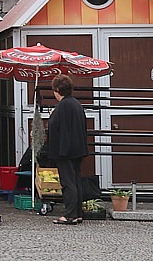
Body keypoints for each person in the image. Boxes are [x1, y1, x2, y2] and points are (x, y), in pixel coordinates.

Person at [48, 74, 88, 225]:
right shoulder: (76, 104)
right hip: (77, 149)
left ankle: (70, 215)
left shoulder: (64, 106)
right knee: (76, 181)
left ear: (58, 90)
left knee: (68, 183)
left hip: (66, 151)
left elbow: (63, 130)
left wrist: (61, 152)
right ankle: (77, 214)